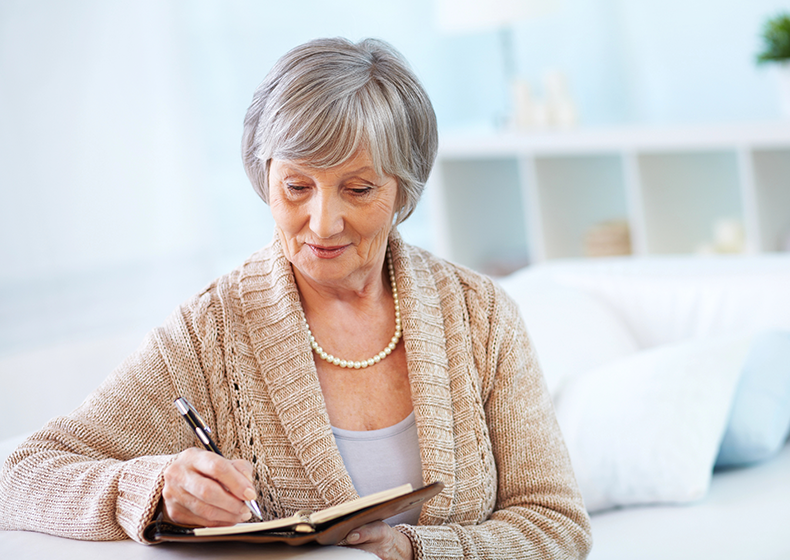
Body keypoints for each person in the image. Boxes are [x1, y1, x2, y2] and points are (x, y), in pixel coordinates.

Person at [0, 37, 592, 559]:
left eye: (358, 189)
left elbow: (556, 524)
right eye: (296, 186)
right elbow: (19, 477)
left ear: (403, 191)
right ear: (265, 178)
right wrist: (154, 490)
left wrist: (413, 551)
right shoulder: (212, 333)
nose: (323, 222)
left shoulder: (479, 315)